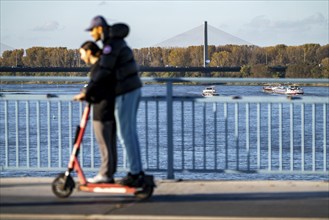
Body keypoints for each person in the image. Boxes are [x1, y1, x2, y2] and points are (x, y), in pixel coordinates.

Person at [85, 15, 145, 187]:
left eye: (92, 30)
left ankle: (135, 173)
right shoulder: (114, 42)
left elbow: (104, 69)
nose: (90, 34)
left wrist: (89, 90)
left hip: (126, 91)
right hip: (131, 89)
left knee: (125, 134)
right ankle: (136, 171)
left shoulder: (111, 44)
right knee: (129, 133)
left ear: (99, 28)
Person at [73, 41, 117, 184]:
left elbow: (96, 84)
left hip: (102, 109)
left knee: (104, 143)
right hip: (109, 107)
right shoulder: (102, 65)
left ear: (89, 52)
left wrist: (85, 94)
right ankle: (109, 173)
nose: (81, 57)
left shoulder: (98, 68)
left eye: (81, 53)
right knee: (109, 143)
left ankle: (104, 174)